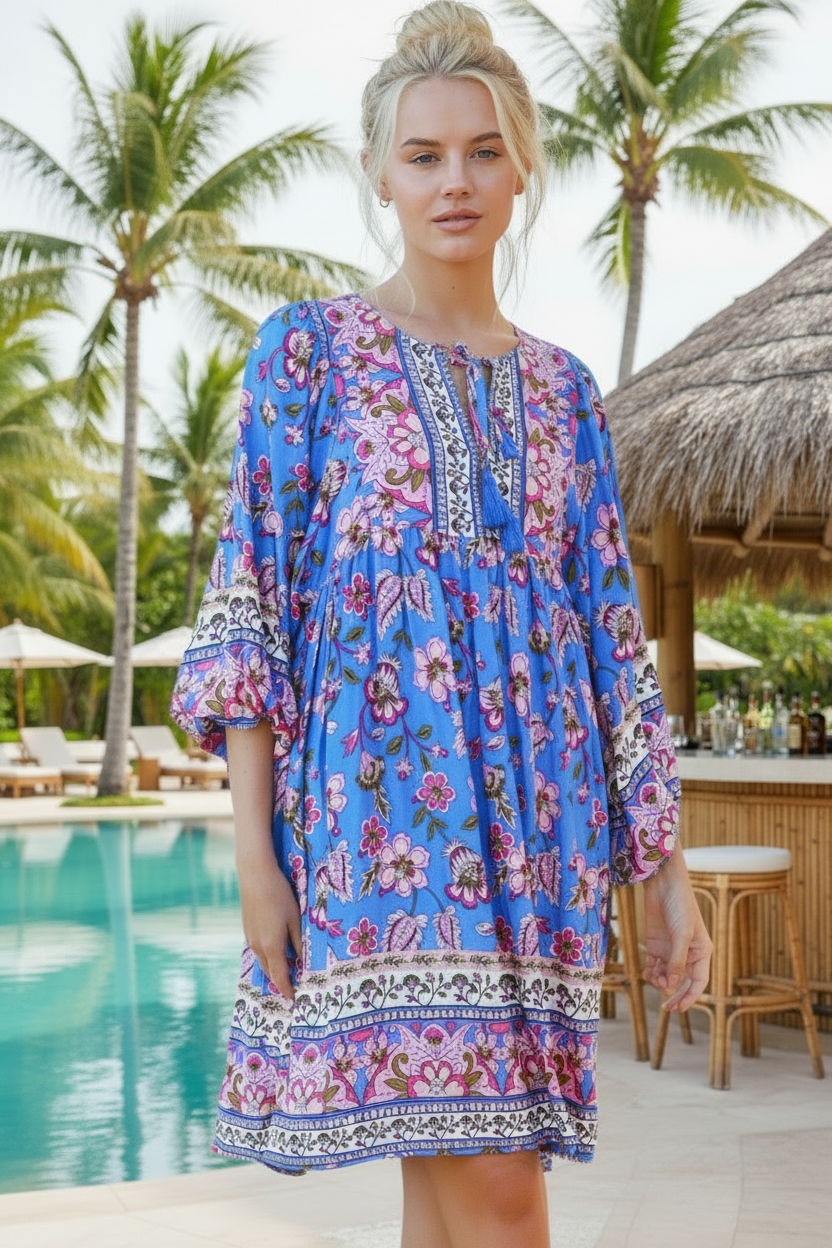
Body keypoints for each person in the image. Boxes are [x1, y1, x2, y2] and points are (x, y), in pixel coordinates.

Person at [171, 4, 712, 1245]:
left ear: (521, 166)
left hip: (540, 837)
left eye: (480, 151)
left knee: (451, 1198)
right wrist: (255, 854)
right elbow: (249, 602)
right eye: (423, 155)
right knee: (501, 1195)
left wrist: (664, 867)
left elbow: (608, 645)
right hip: (383, 839)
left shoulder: (566, 393)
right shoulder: (307, 353)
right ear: (378, 173)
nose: (453, 180)